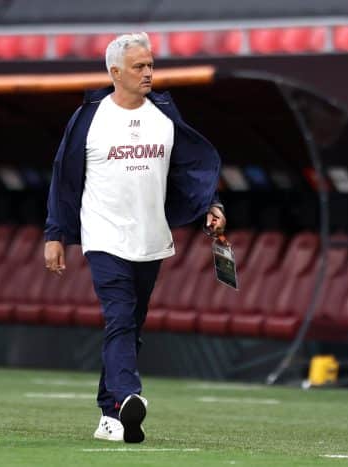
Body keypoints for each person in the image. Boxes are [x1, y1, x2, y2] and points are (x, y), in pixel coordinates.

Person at [44, 32, 226, 442]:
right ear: (115, 72)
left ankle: (110, 415)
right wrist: (56, 233)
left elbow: (189, 170)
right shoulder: (88, 119)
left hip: (150, 238)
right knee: (120, 317)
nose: (148, 73)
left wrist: (212, 204)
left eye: (150, 65)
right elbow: (63, 178)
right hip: (103, 237)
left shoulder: (164, 115)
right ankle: (128, 395)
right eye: (139, 66)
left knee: (130, 325)